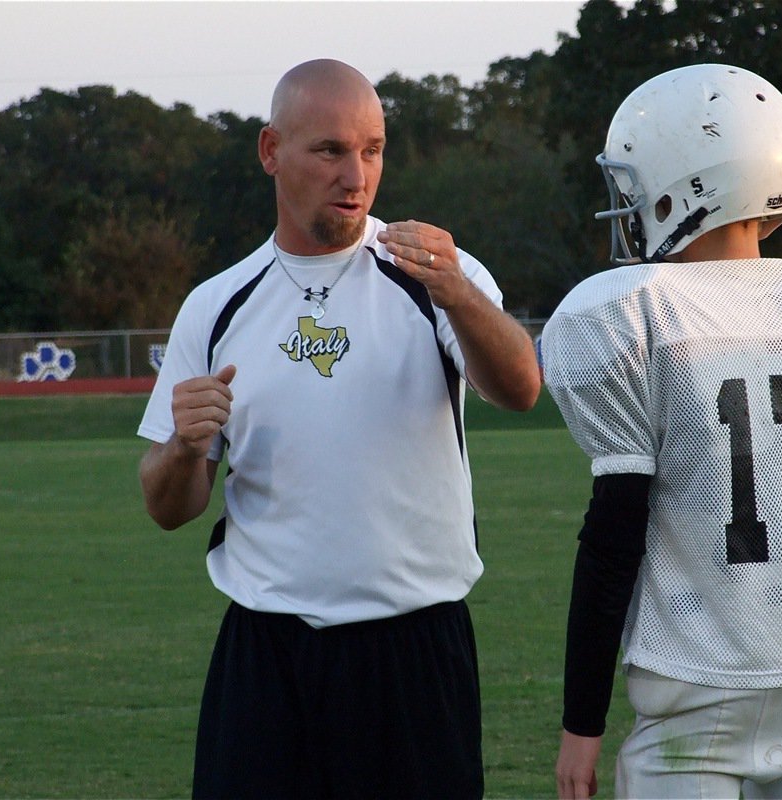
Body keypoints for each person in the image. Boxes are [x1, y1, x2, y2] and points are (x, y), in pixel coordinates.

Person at [137, 58, 540, 798]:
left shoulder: (432, 274)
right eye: (329, 151)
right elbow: (169, 506)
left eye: (372, 150)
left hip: (416, 649)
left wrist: (459, 295)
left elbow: (521, 389)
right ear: (270, 152)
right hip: (268, 652)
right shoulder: (216, 304)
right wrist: (183, 448)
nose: (355, 175)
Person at [541, 64, 782, 799]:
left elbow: (613, 537)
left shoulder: (640, 310)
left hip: (693, 690)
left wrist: (581, 724)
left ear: (686, 184)